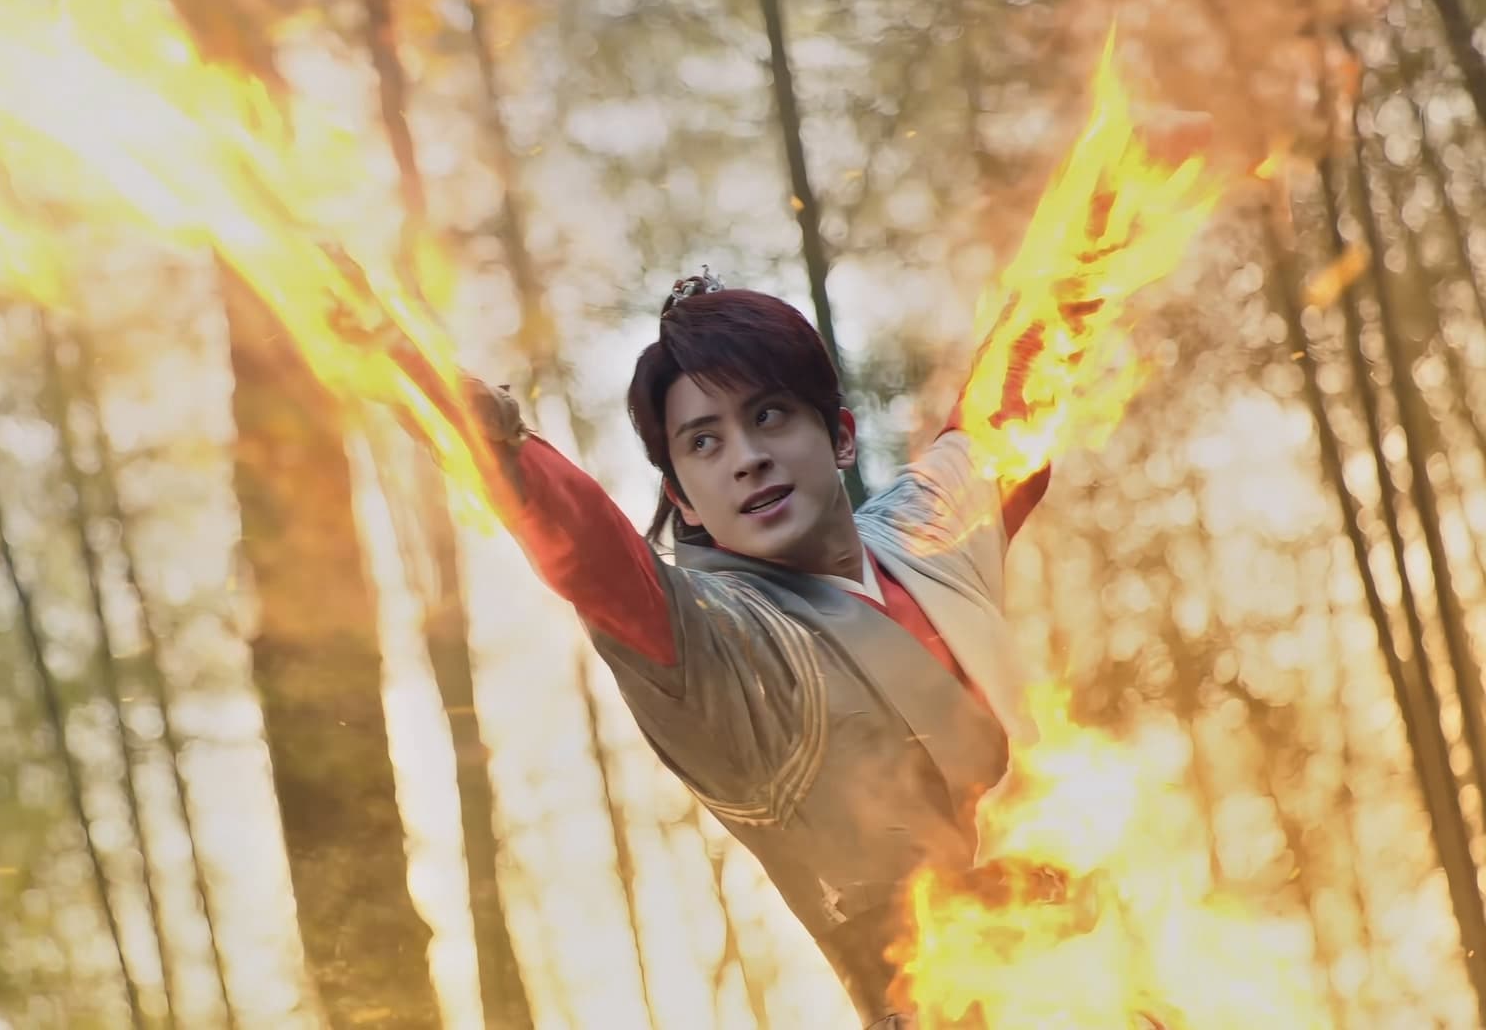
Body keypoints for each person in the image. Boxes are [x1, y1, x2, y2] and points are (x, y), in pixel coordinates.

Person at [406, 269, 1060, 1028]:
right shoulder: (717, 645)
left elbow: (1021, 380)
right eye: (704, 442)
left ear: (841, 435)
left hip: (1103, 966)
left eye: (770, 414)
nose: (746, 457)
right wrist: (475, 428)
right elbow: (593, 555)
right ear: (681, 496)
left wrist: (1108, 210)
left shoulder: (930, 529)